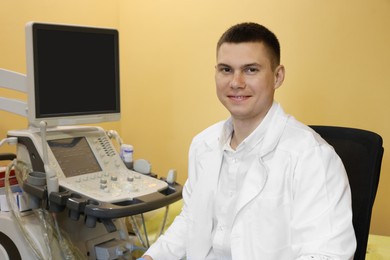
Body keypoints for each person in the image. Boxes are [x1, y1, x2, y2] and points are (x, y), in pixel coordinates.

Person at [140, 22, 356, 260]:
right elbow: (191, 220)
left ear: (277, 76)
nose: (236, 82)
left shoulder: (312, 157)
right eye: (226, 70)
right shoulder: (204, 144)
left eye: (251, 70)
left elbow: (327, 254)